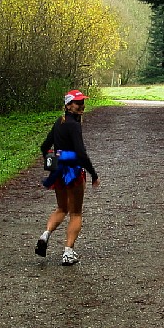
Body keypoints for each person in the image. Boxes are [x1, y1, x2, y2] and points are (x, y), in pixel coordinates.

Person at [35, 89, 100, 265]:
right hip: (73, 170)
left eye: (82, 102)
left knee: (61, 208)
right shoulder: (74, 125)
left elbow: (44, 146)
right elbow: (80, 153)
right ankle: (68, 252)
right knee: (76, 212)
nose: (81, 106)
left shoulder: (60, 122)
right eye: (77, 103)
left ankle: (45, 235)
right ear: (68, 105)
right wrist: (93, 174)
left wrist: (52, 161)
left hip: (58, 170)